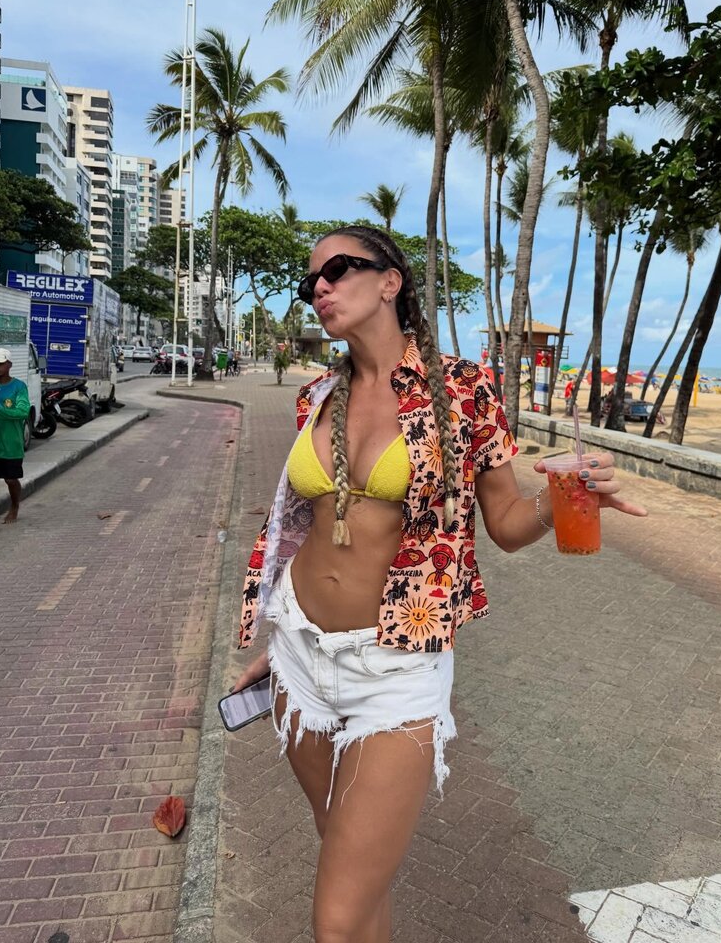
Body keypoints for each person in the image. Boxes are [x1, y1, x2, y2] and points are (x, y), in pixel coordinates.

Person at [233, 225, 647, 941]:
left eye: (338, 269)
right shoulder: (316, 396)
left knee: (336, 919)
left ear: (390, 282)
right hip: (299, 658)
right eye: (310, 281)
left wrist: (560, 501)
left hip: (394, 671)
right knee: (354, 878)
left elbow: (506, 523)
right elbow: (304, 526)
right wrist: (279, 637)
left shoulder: (464, 391)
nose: (319, 287)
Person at [0, 347, 31, 524]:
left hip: (10, 443)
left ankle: (15, 505)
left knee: (10, 479)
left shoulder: (18, 387)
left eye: (0, 364)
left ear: (9, 364)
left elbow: (22, 412)